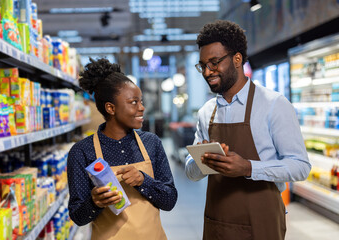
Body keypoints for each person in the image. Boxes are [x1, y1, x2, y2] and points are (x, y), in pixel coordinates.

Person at [185, 20, 311, 240]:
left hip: (262, 222)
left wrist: (248, 168)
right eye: (203, 65)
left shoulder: (274, 105)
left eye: (214, 62)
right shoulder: (207, 112)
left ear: (237, 59)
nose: (207, 71)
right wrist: (200, 161)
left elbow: (300, 167)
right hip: (218, 221)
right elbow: (191, 173)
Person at [67, 58, 178, 240]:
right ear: (110, 108)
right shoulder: (82, 151)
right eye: (133, 102)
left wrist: (144, 181)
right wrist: (94, 202)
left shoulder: (152, 143)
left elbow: (170, 200)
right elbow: (78, 216)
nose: (142, 107)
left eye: (140, 101)